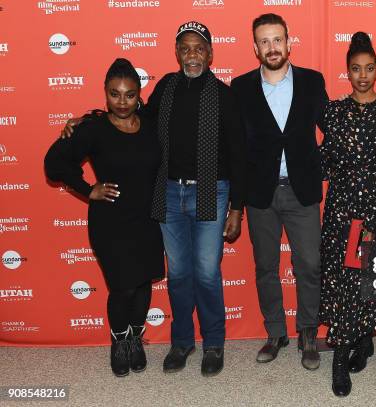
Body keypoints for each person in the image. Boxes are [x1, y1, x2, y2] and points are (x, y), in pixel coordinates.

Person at [62, 21, 247, 377]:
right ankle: (182, 342)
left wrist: (237, 207)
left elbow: (239, 154)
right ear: (177, 53)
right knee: (177, 274)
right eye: (185, 48)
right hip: (168, 192)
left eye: (198, 48)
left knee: (206, 273)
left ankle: (213, 343)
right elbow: (131, 117)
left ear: (210, 53)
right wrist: (86, 120)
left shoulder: (224, 95)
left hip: (212, 190)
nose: (192, 54)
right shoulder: (165, 87)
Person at [45, 58, 165, 377]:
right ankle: (118, 342)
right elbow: (54, 162)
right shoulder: (93, 128)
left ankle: (135, 339)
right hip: (110, 222)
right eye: (115, 94)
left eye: (129, 94)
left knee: (142, 284)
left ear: (139, 94)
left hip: (148, 219)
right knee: (123, 287)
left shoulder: (151, 123)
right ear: (105, 93)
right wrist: (88, 189)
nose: (122, 102)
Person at [230, 13, 328, 370]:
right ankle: (275, 332)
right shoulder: (240, 88)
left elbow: (332, 129)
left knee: (310, 265)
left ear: (289, 42)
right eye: (265, 41)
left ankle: (307, 332)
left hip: (302, 191)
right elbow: (235, 149)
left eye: (277, 40)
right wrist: (236, 204)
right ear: (255, 47)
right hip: (261, 193)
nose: (272, 47)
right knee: (265, 266)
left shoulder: (312, 82)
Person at [319, 32, 376, 397]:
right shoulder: (334, 113)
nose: (363, 76)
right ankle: (345, 353)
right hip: (341, 214)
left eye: (369, 68)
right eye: (356, 69)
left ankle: (356, 345)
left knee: (368, 284)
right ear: (347, 72)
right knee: (342, 282)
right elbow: (325, 162)